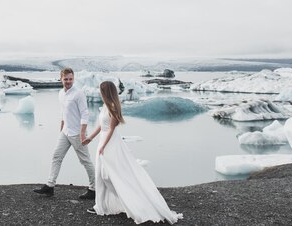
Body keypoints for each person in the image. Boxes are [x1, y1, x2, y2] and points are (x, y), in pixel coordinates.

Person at [83, 81, 182, 224]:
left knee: (109, 175)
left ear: (106, 92)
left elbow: (111, 129)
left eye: (101, 91)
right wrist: (90, 138)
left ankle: (129, 201)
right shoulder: (105, 106)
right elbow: (101, 125)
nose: (99, 93)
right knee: (101, 175)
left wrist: (103, 145)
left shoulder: (113, 107)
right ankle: (102, 206)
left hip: (110, 143)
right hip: (103, 142)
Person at [33, 67, 95, 199]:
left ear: (74, 79)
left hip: (77, 134)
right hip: (65, 132)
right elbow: (63, 112)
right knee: (56, 156)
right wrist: (61, 128)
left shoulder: (78, 94)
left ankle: (93, 189)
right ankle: (50, 186)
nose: (68, 81)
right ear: (61, 79)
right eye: (66, 79)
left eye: (70, 79)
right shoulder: (61, 93)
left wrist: (83, 133)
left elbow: (85, 114)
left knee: (85, 161)